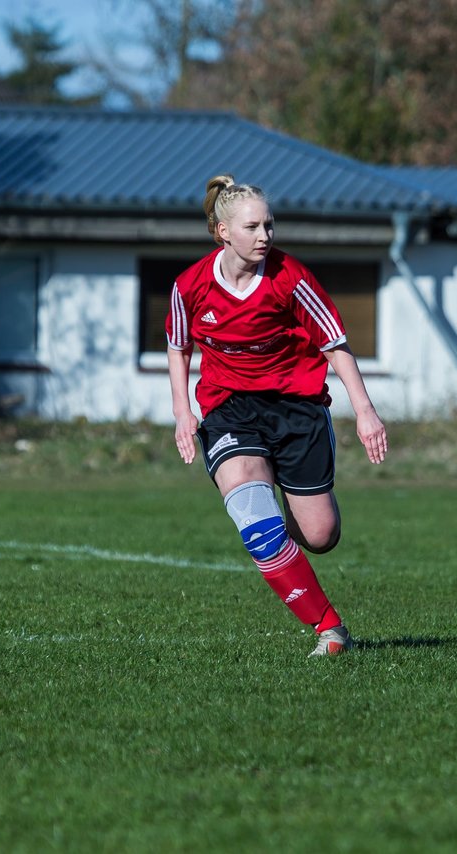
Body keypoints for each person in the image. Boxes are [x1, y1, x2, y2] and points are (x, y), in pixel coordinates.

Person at [166, 174, 388, 657]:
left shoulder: (291, 278)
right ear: (224, 231)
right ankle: (330, 630)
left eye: (269, 224)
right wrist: (183, 412)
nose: (265, 235)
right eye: (253, 226)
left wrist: (366, 412)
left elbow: (336, 345)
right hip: (229, 410)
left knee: (320, 536)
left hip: (296, 408)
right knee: (255, 521)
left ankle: (286, 530)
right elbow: (178, 346)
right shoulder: (190, 286)